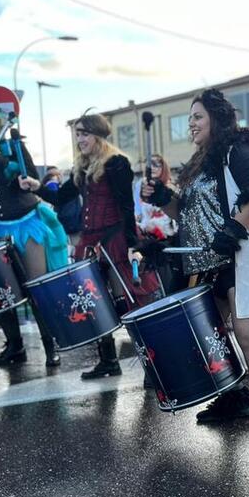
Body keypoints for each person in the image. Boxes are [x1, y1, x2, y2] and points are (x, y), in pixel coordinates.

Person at [141, 88, 249, 446]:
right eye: (190, 117)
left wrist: (234, 229)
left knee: (245, 329)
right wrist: (162, 198)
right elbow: (189, 214)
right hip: (207, 260)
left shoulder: (237, 148)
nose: (191, 124)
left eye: (197, 117)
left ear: (216, 119)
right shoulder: (198, 162)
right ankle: (232, 395)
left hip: (242, 252)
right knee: (210, 332)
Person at [39, 113, 161, 380]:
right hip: (89, 242)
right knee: (94, 302)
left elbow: (126, 206)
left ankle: (151, 366)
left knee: (131, 300)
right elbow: (61, 197)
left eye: (84, 134)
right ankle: (108, 361)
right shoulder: (83, 166)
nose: (80, 139)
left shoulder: (116, 163)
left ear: (98, 135)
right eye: (77, 134)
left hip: (115, 239)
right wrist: (35, 187)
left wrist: (132, 244)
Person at [0, 102, 68, 368]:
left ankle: (50, 344)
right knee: (1, 290)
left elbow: (29, 176)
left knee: (36, 285)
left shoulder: (13, 146)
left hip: (25, 222)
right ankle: (14, 346)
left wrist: (0, 160)